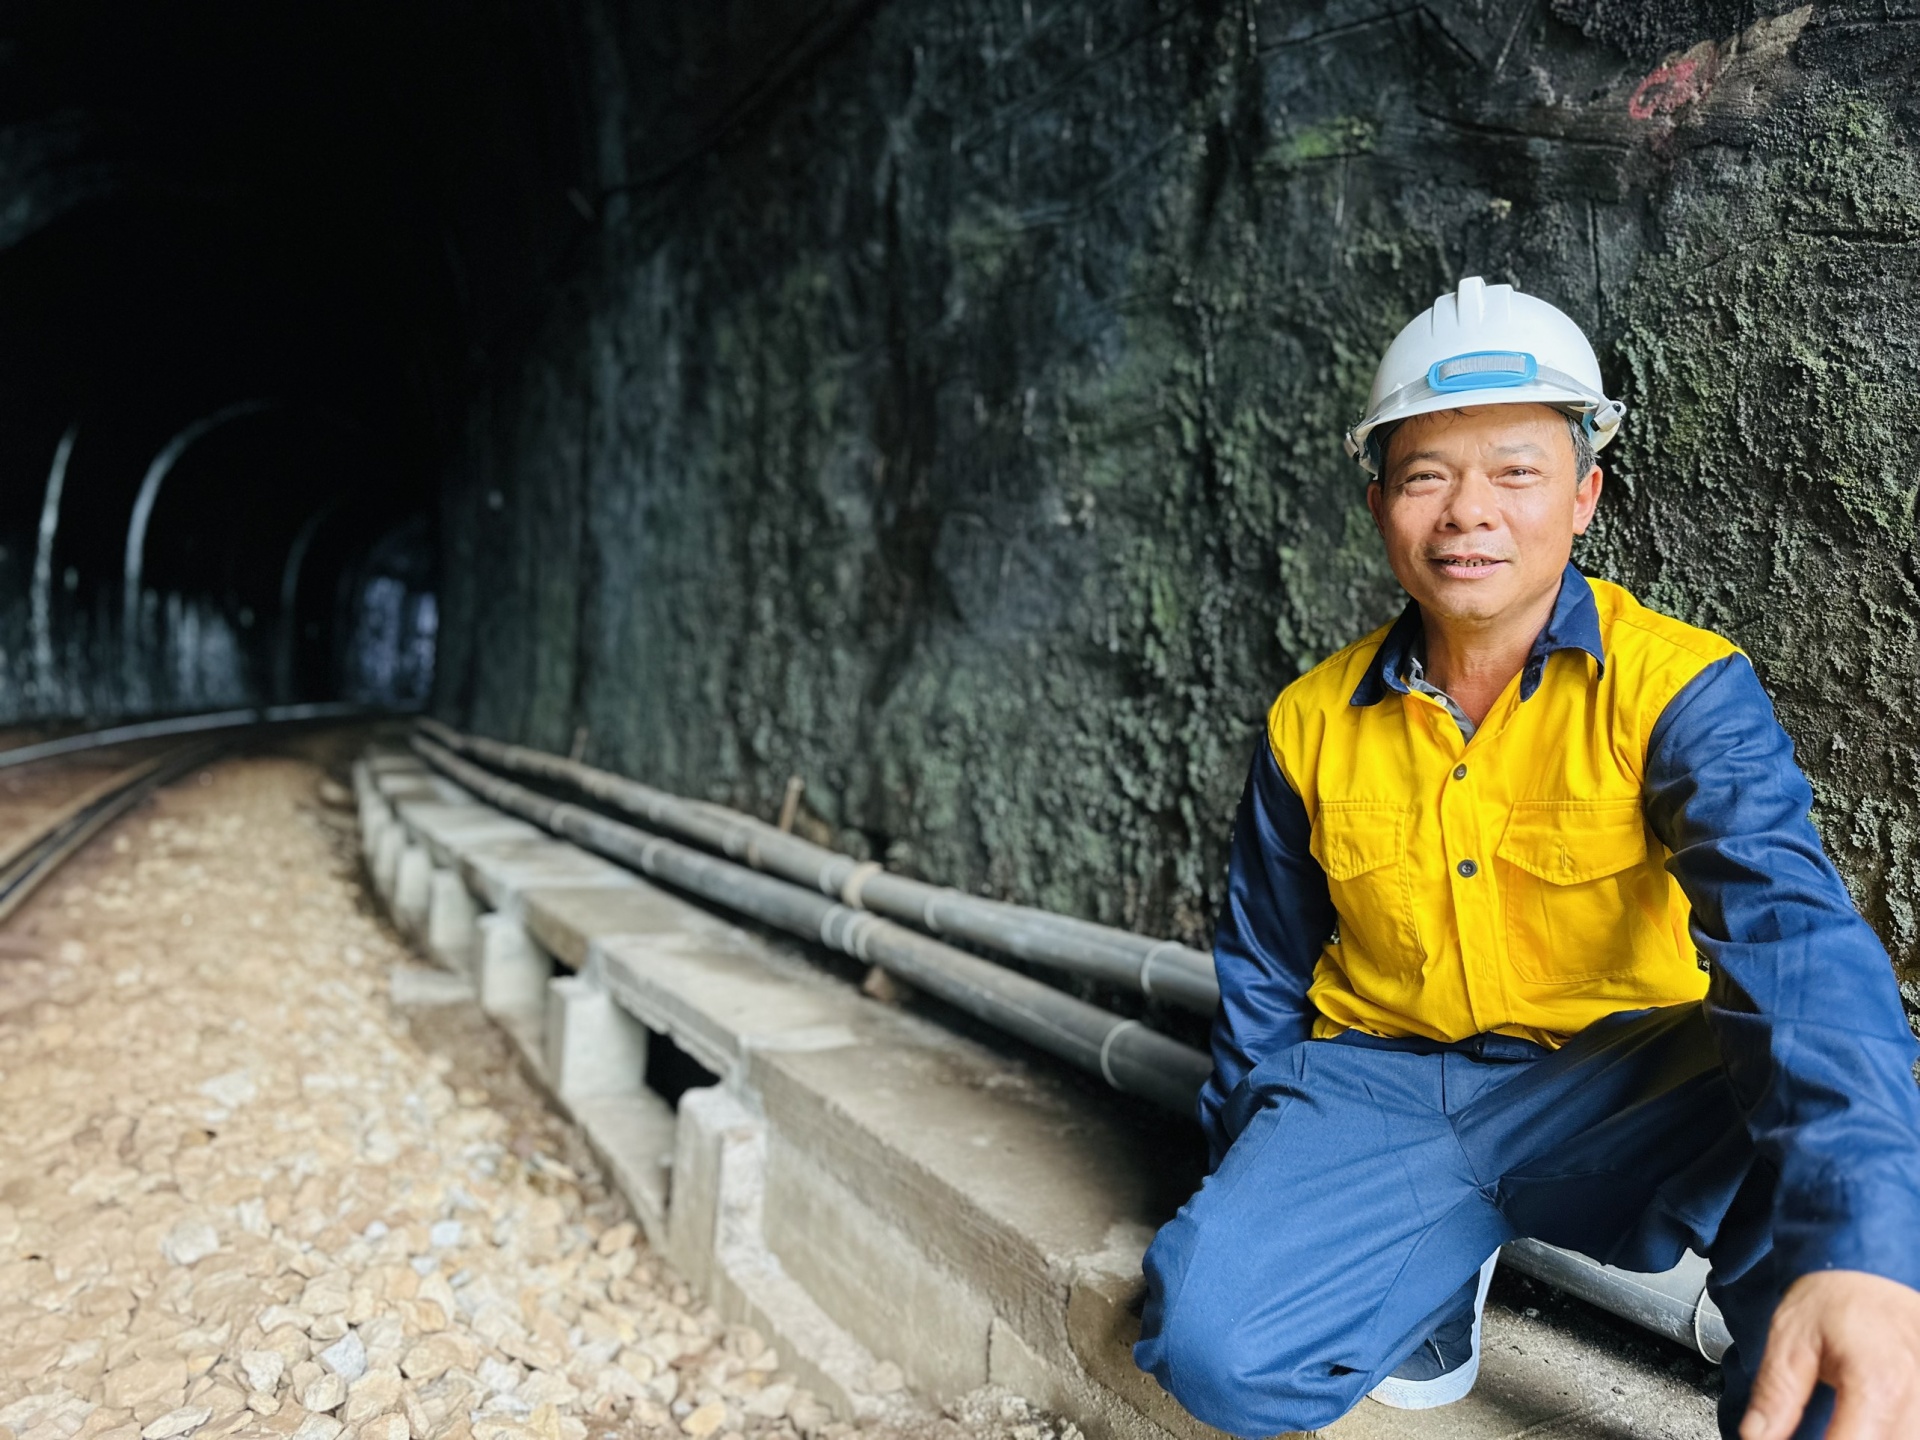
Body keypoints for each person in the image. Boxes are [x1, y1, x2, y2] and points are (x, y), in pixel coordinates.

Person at [1131, 277, 1920, 1440]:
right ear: (1379, 503)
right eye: (1426, 477)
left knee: (1854, 1162)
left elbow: (1792, 937)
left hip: (1631, 1086)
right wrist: (1302, 1207)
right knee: (1211, 1345)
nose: (1469, 514)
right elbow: (1262, 975)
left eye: (1515, 471)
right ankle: (1422, 1269)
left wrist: (1865, 1250)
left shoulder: (1679, 688)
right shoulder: (1309, 717)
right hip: (1387, 1087)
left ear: (1585, 493)